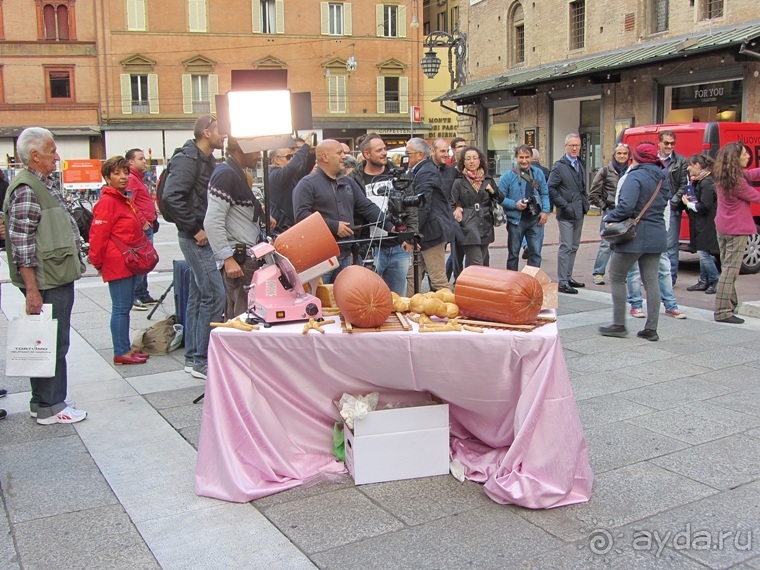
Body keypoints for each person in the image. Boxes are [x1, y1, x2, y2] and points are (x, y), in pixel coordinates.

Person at [4, 127, 86, 424]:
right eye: (51, 151)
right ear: (35, 156)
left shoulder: (42, 183)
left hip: (54, 273)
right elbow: (22, 246)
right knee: (54, 343)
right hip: (48, 279)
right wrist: (32, 290)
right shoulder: (27, 188)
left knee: (46, 341)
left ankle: (43, 401)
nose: (57, 156)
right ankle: (52, 405)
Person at [161, 114, 225, 380]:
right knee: (214, 294)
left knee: (199, 297)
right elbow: (171, 197)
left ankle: (193, 358)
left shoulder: (205, 160)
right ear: (206, 133)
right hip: (196, 237)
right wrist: (194, 228)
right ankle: (201, 360)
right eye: (220, 129)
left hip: (199, 234)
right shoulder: (188, 159)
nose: (225, 134)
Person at [293, 139, 394, 283]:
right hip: (320, 261)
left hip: (346, 256)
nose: (344, 156)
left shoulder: (348, 182)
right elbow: (301, 216)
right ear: (325, 157)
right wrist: (333, 226)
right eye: (339, 153)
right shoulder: (307, 184)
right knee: (322, 301)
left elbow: (366, 207)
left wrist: (391, 226)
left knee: (346, 302)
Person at [599, 143, 668, 341]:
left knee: (617, 275)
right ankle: (651, 328)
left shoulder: (634, 176)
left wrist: (609, 217)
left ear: (636, 157)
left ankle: (619, 324)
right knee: (651, 280)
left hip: (634, 234)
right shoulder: (663, 176)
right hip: (657, 233)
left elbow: (626, 207)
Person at [89, 156, 153, 366]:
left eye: (125, 172)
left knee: (124, 307)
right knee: (120, 307)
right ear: (107, 177)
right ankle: (121, 351)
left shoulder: (121, 198)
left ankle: (124, 348)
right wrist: (97, 262)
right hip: (118, 262)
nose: (123, 177)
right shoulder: (108, 202)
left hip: (128, 261)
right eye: (116, 173)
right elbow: (97, 235)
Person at [205, 137, 272, 318]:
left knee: (242, 313)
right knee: (241, 317)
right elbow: (212, 221)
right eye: (255, 150)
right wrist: (227, 258)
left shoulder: (234, 173)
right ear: (240, 149)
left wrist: (258, 215)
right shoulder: (226, 174)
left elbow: (233, 212)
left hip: (243, 256)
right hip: (239, 258)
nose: (259, 155)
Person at [346, 134, 415, 295]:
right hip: (370, 247)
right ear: (367, 154)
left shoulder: (398, 174)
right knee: (370, 296)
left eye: (384, 148)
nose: (384, 153)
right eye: (379, 150)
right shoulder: (353, 179)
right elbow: (354, 211)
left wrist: (410, 237)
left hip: (398, 246)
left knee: (398, 298)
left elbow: (410, 207)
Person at [712, 142, 760, 324]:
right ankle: (723, 311)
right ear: (735, 159)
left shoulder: (725, 175)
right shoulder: (736, 182)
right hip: (736, 229)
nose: (748, 157)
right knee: (730, 271)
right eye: (745, 154)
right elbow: (756, 197)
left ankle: (730, 305)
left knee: (727, 268)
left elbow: (751, 174)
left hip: (723, 227)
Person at [405, 137, 458, 295]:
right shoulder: (421, 170)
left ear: (420, 154)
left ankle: (450, 312)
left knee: (438, 279)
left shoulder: (426, 171)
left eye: (408, 153)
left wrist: (412, 233)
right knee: (412, 275)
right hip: (425, 231)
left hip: (431, 232)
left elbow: (423, 204)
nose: (406, 157)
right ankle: (410, 309)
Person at [498, 144, 550, 271]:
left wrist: (545, 211)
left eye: (527, 157)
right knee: (513, 255)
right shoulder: (507, 177)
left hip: (535, 219)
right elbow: (499, 198)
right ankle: (513, 284)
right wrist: (515, 204)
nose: (524, 160)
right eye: (521, 157)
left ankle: (531, 283)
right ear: (516, 158)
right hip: (516, 220)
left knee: (536, 254)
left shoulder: (538, 173)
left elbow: (544, 193)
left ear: (532, 158)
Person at [548, 133, 589, 294]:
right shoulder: (559, 166)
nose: (574, 148)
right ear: (565, 147)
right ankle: (562, 281)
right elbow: (551, 187)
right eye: (571, 145)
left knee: (574, 245)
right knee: (566, 245)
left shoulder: (580, 163)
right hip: (566, 212)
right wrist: (563, 205)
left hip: (579, 210)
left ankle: (569, 276)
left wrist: (585, 203)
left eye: (577, 145)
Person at [450, 146, 503, 267]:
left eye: (474, 158)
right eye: (468, 159)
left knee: (479, 262)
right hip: (468, 225)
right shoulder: (459, 182)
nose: (472, 161)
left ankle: (470, 283)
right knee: (477, 261)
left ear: (480, 160)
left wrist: (493, 191)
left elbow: (500, 198)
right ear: (463, 161)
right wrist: (458, 209)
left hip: (485, 223)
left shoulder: (487, 179)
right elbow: (452, 202)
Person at [589, 143, 631, 284]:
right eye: (619, 153)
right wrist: (605, 206)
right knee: (606, 243)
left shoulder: (632, 171)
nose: (622, 156)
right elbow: (593, 194)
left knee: (624, 244)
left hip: (626, 212)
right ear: (614, 155)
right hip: (611, 211)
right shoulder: (605, 171)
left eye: (625, 153)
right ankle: (598, 273)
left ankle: (619, 274)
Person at [126, 148, 159, 311]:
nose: (144, 162)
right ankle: (135, 296)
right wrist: (143, 221)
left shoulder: (139, 179)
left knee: (145, 262)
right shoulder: (132, 179)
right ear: (131, 162)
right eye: (141, 159)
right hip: (142, 228)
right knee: (142, 261)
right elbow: (130, 203)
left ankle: (143, 294)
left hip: (148, 225)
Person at [682, 154, 720, 294]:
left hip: (707, 223)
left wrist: (689, 204)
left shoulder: (706, 182)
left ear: (697, 165)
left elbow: (705, 206)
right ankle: (704, 280)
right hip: (700, 222)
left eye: (690, 165)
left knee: (703, 253)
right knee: (703, 251)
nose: (688, 168)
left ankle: (715, 280)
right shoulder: (699, 181)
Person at [658, 130, 689, 286]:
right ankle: (655, 276)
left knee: (671, 245)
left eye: (672, 143)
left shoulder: (681, 161)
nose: (669, 146)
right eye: (666, 143)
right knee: (655, 243)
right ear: (660, 143)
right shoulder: (653, 160)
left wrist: (673, 202)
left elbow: (685, 185)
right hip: (654, 208)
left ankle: (671, 278)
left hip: (671, 207)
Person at [268, 133, 316, 232]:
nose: (292, 159)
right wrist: (306, 146)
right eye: (289, 157)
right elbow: (293, 167)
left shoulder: (288, 175)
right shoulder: (274, 176)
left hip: (293, 227)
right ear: (276, 160)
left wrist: (311, 153)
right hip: (282, 228)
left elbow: (304, 169)